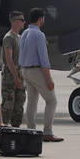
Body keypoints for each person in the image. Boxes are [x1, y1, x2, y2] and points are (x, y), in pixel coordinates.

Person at [18, 8, 63, 142]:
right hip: (36, 71)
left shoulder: (25, 33)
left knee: (32, 102)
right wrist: (49, 79)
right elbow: (44, 60)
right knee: (51, 100)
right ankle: (47, 132)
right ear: (40, 19)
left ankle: (31, 130)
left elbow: (21, 55)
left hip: (25, 70)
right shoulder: (39, 35)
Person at [0, 11, 26, 127]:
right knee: (8, 104)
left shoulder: (19, 37)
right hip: (10, 75)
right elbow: (9, 60)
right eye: (22, 20)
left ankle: (16, 129)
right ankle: (3, 128)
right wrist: (16, 78)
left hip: (20, 73)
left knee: (19, 104)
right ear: (15, 21)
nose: (24, 22)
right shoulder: (9, 38)